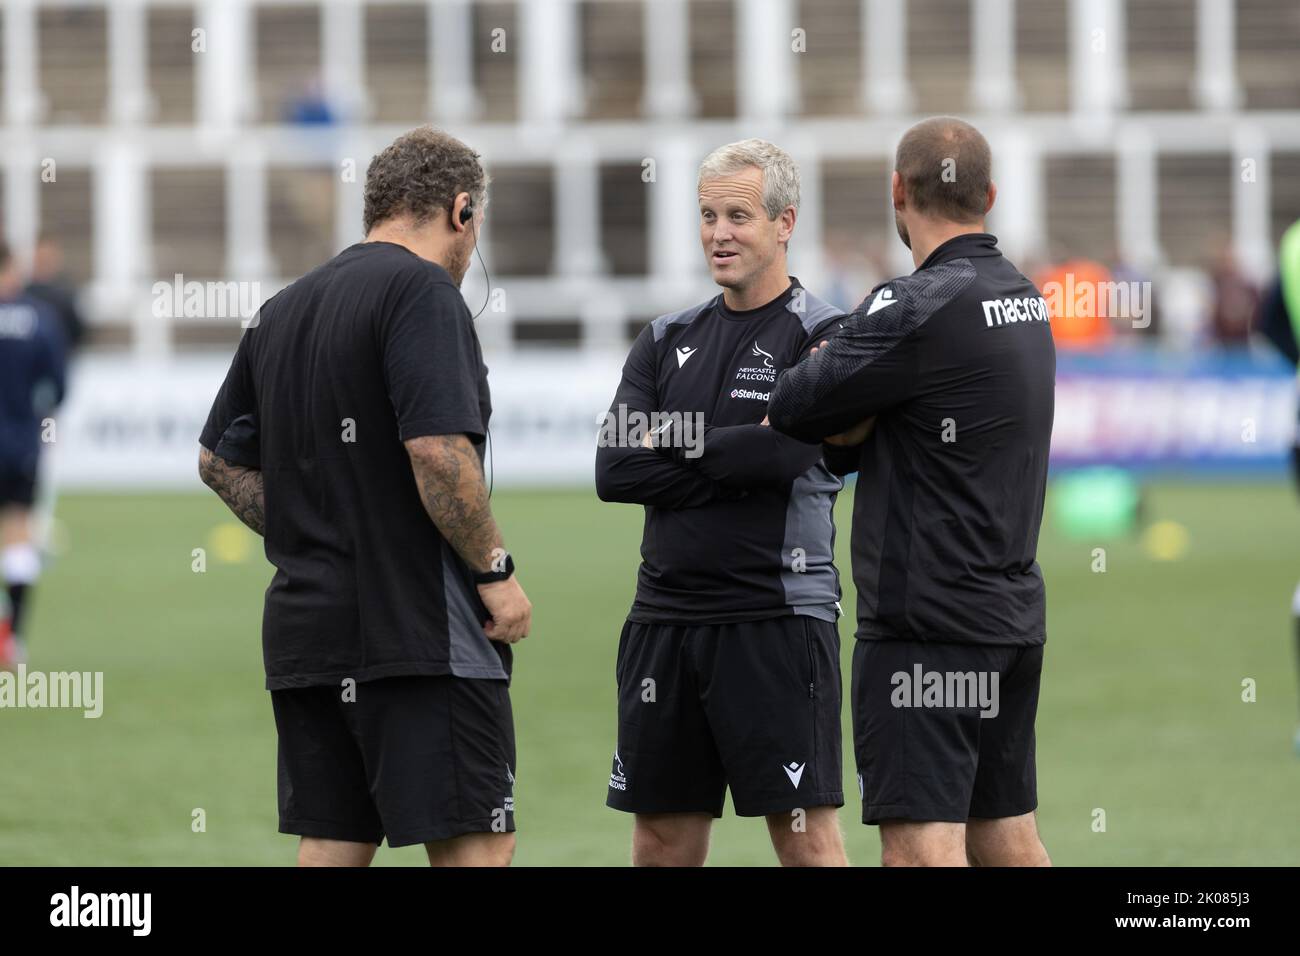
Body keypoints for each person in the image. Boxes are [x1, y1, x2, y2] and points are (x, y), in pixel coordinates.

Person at [198, 126, 532, 867]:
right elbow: (438, 453)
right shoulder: (423, 292)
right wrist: (495, 571)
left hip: (306, 631)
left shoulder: (284, 308)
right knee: (479, 839)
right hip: (417, 630)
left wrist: (313, 529)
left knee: (337, 838)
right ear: (461, 208)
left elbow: (217, 461)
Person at [768, 116, 1055, 866]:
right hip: (1010, 616)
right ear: (990, 194)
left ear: (897, 191)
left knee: (921, 850)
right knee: (1007, 837)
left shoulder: (917, 303)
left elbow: (796, 403)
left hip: (929, 625)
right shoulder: (1024, 296)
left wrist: (855, 414)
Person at [595, 139, 849, 866]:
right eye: (707, 215)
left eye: (738, 215)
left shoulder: (825, 336)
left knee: (804, 841)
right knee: (661, 840)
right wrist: (733, 451)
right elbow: (614, 469)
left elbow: (783, 457)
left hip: (774, 616)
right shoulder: (665, 337)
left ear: (783, 222)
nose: (718, 233)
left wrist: (672, 442)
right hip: (663, 620)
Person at [0, 241, 67, 667]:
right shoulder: (39, 319)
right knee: (19, 535)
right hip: (21, 444)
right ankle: (13, 641)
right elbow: (58, 386)